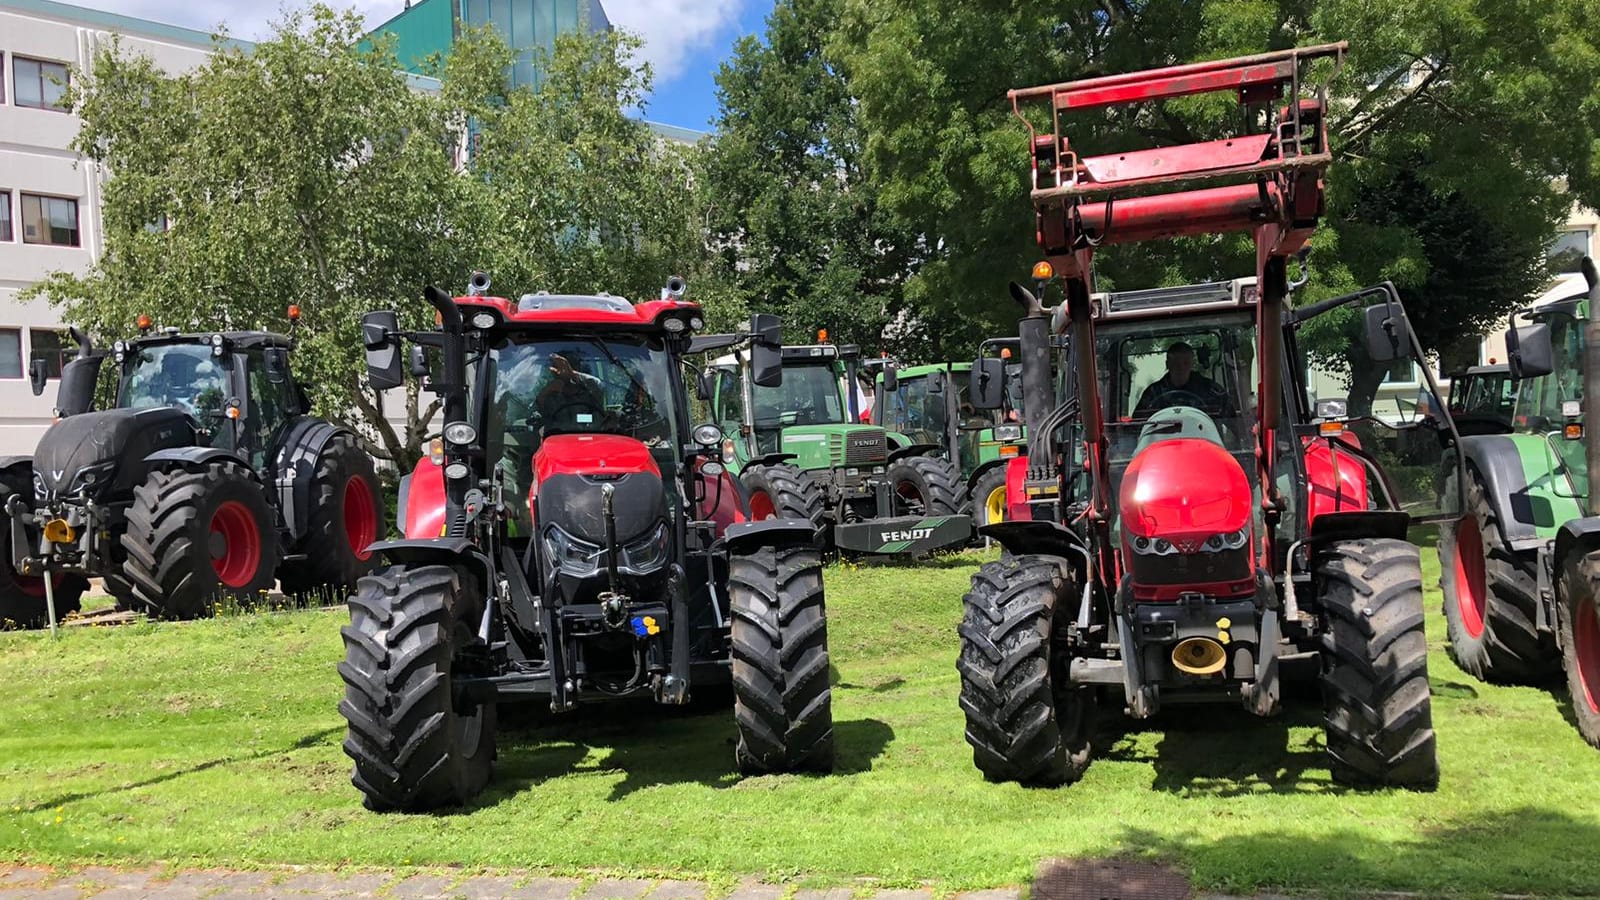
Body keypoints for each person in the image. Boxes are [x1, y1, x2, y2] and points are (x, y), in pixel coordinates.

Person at [1134, 341, 1234, 418]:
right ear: (1168, 364)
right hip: (1163, 443)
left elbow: (1234, 423)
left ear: (1192, 364)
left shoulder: (1211, 391)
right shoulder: (1153, 393)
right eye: (1176, 363)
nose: (1181, 367)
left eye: (1185, 362)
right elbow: (1135, 426)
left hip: (1204, 442)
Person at [535, 352, 604, 424]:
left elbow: (599, 386)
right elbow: (533, 415)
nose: (561, 373)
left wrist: (574, 375)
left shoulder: (589, 393)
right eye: (556, 369)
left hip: (591, 432)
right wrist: (546, 391)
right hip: (555, 433)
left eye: (565, 369)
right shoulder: (550, 396)